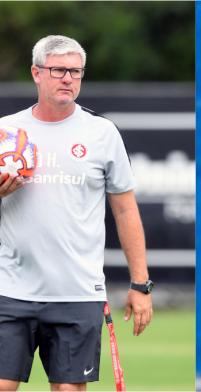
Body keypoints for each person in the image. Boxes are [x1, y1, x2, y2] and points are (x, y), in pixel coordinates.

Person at [0, 35, 153, 391]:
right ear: (36, 73)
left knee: (68, 390)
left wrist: (140, 284)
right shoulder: (6, 132)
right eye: (58, 70)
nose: (68, 78)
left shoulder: (101, 133)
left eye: (76, 71)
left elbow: (126, 210)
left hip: (77, 292)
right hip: (10, 289)